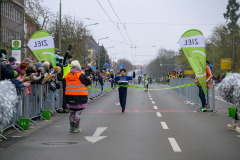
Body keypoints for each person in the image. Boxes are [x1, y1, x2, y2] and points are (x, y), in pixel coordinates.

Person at [65, 60, 91, 132]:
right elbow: (89, 82)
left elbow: (64, 83)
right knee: (77, 112)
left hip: (69, 96)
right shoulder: (80, 75)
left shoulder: (68, 75)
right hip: (80, 97)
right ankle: (76, 128)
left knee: (71, 113)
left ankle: (71, 128)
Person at [62, 46, 73, 113]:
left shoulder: (70, 64)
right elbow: (65, 57)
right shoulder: (65, 64)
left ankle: (68, 106)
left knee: (69, 94)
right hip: (65, 80)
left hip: (69, 81)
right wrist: (68, 51)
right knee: (65, 94)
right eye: (71, 58)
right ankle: (64, 107)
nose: (71, 59)